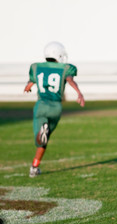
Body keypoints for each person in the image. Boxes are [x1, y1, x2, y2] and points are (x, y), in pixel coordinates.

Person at [24, 41, 85, 178]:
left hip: (42, 105)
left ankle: (40, 134)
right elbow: (70, 80)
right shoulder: (65, 68)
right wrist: (79, 93)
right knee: (45, 139)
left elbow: (30, 83)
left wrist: (28, 86)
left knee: (39, 139)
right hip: (56, 107)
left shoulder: (36, 67)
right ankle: (35, 166)